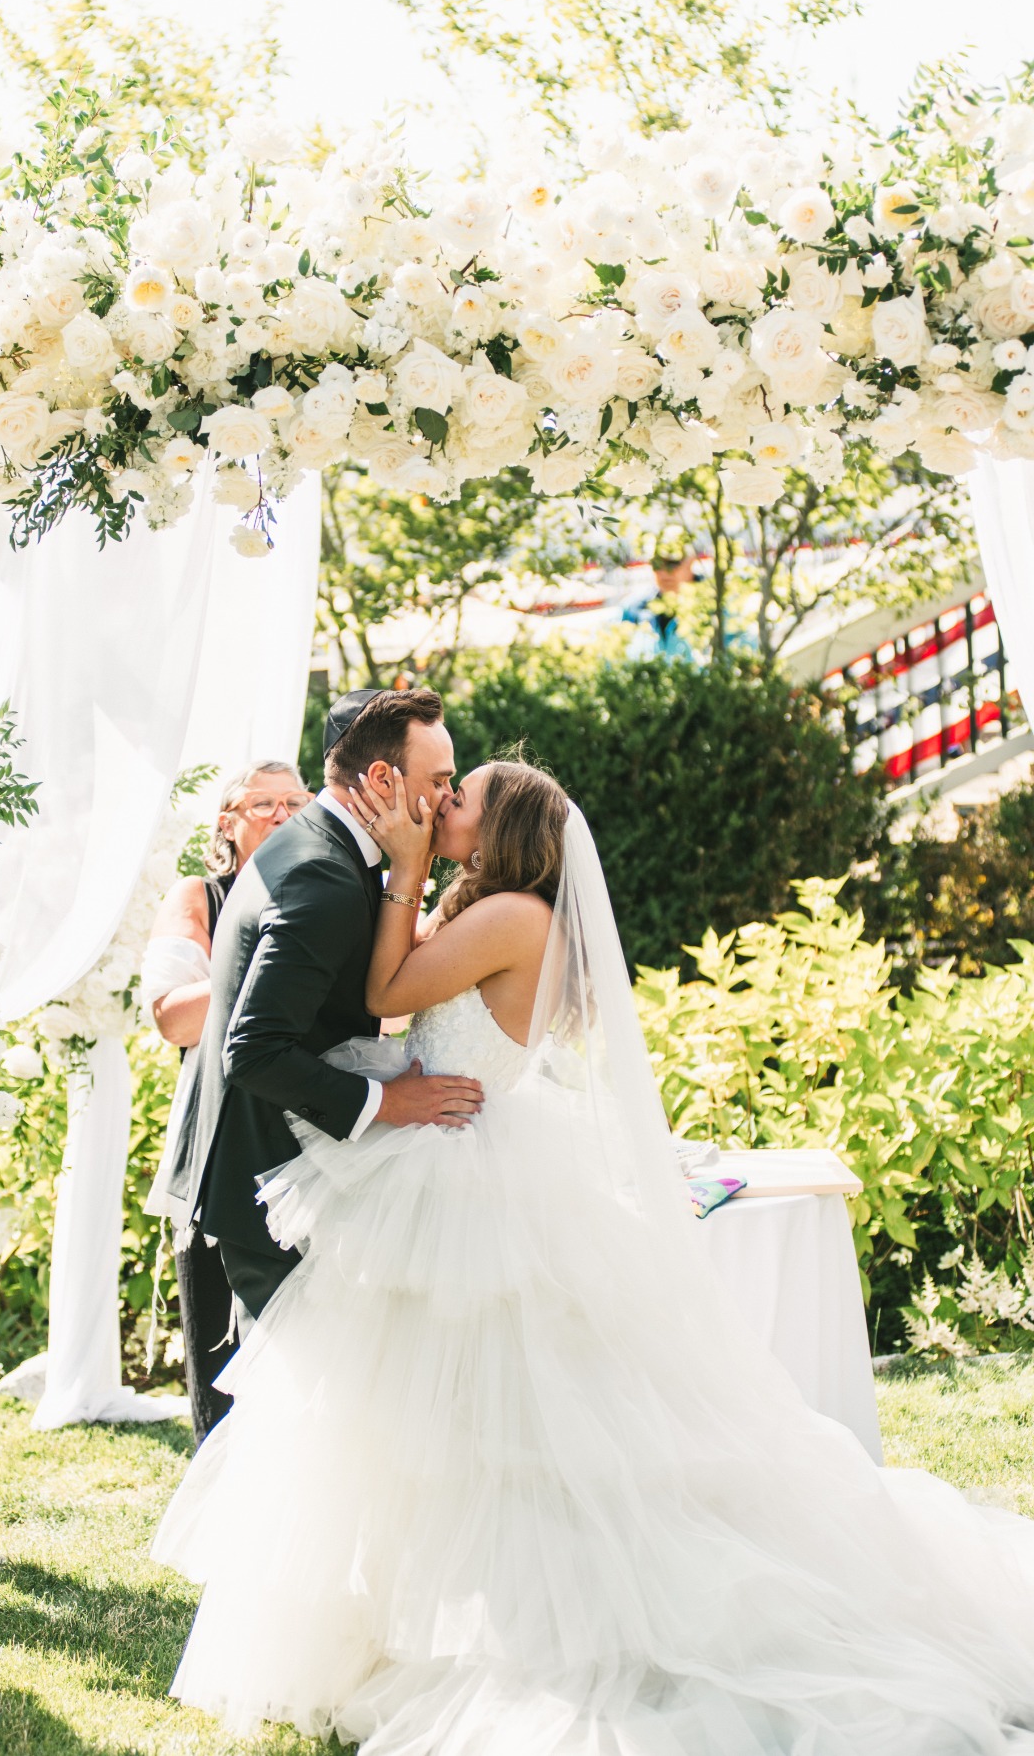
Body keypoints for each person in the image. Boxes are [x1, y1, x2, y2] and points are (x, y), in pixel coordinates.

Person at [155, 748, 1034, 1754]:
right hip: (450, 1148)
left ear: (498, 833)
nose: (443, 801)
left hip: (465, 1172)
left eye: (462, 798)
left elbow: (388, 988)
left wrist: (399, 872)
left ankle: (543, 1630)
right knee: (425, 1418)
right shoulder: (497, 910)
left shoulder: (510, 917)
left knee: (495, 1419)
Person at [183, 687, 484, 1350]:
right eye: (439, 779)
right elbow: (255, 1049)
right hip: (271, 1179)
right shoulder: (322, 873)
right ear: (381, 778)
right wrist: (388, 1101)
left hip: (278, 1173)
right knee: (297, 1406)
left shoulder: (319, 844)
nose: (446, 794)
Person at [140, 761, 311, 1444]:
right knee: (220, 1336)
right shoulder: (199, 896)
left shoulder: (332, 893)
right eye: (261, 802)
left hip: (309, 1133)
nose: (280, 813)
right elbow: (175, 1020)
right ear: (227, 821)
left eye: (295, 801)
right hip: (218, 1129)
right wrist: (269, 962)